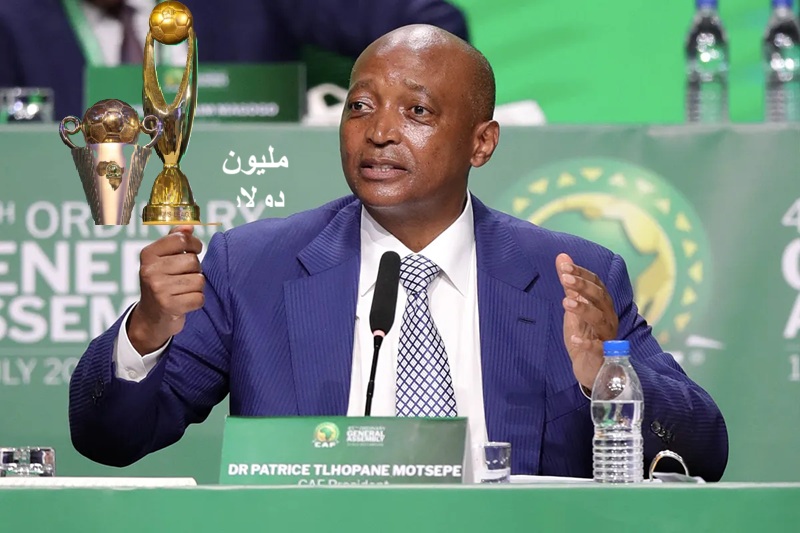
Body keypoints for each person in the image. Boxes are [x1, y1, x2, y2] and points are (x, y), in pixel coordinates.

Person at [69, 24, 729, 481]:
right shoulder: (252, 267)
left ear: (481, 142)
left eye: (417, 111)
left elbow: (705, 449)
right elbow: (108, 438)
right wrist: (145, 332)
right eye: (360, 106)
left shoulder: (570, 277)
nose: (379, 132)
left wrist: (607, 379)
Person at [0, 0, 468, 120]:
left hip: (246, 217)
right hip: (75, 238)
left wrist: (374, 113)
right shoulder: (13, 19)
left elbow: (432, 25)